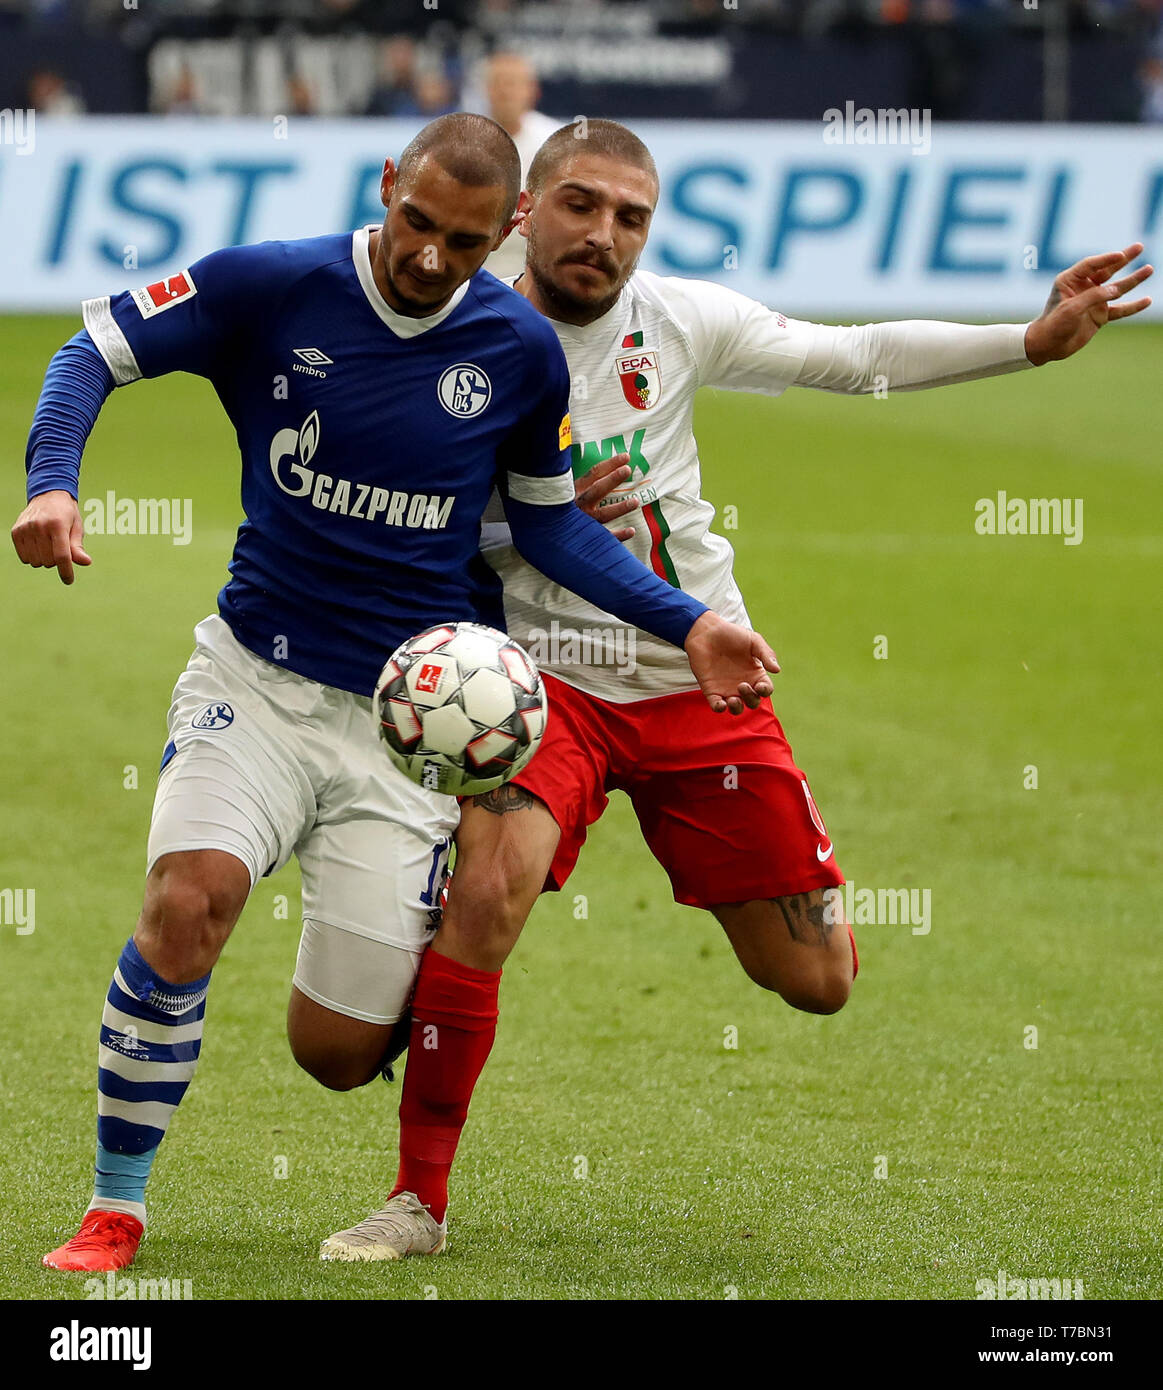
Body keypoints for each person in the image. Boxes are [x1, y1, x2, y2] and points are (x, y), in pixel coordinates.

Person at [329, 118, 1153, 1261]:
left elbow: (852, 356)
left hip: (695, 680)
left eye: (629, 217)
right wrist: (530, 517)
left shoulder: (675, 319)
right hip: (537, 686)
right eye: (578, 204)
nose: (602, 234)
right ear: (525, 209)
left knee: (814, 979)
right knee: (489, 895)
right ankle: (416, 1200)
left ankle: (735, 883)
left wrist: (1028, 339)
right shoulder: (453, 338)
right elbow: (393, 517)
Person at [12, 113, 775, 1274]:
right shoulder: (270, 285)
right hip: (255, 679)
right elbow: (91, 353)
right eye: (414, 222)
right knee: (187, 903)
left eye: (463, 243)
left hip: (405, 721)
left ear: (502, 233)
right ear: (386, 185)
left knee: (333, 1048)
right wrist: (54, 486)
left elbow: (551, 526)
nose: (429, 257)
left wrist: (689, 623)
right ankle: (116, 1207)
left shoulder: (516, 351)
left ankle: (385, 965)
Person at [480, 53, 560, 281]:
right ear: (485, 89)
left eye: (513, 83)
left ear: (532, 90)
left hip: (537, 274)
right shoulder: (463, 140)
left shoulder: (555, 142)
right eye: (498, 83)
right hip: (478, 270)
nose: (505, 92)